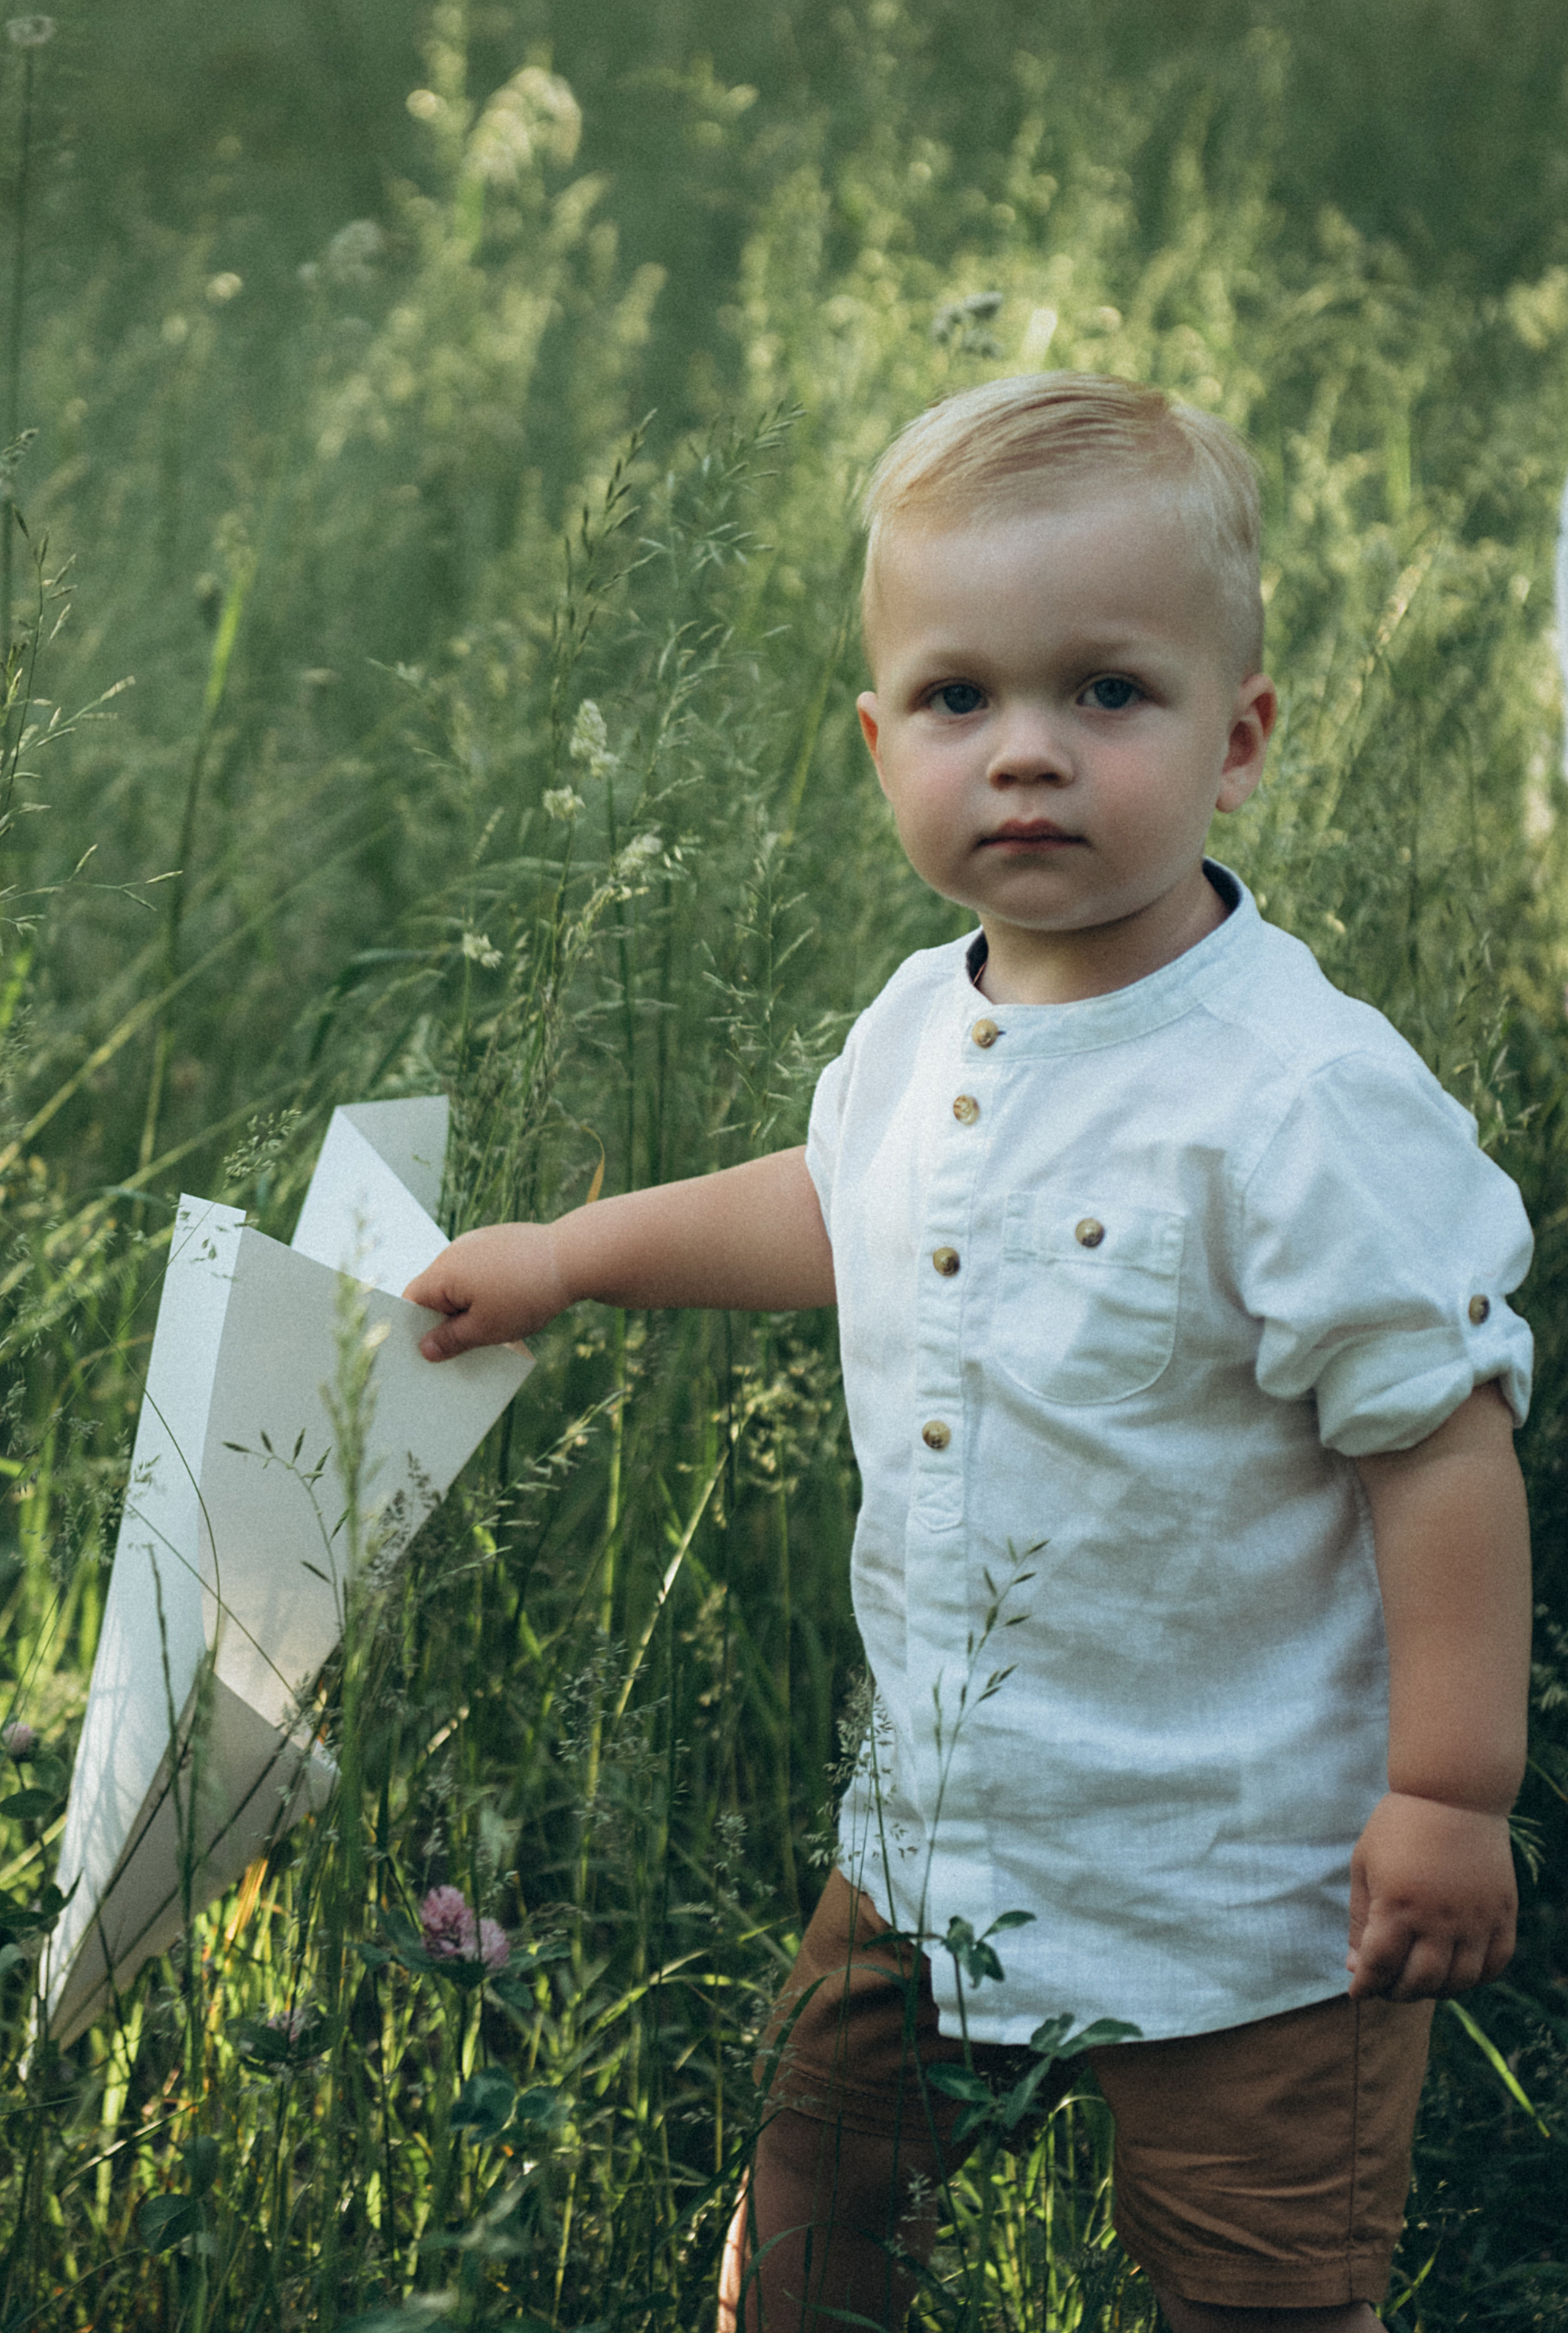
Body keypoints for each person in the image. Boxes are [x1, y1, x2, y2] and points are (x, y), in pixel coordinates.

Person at [402, 373, 1534, 2333]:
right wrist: (574, 1258)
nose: (1026, 752)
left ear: (1239, 739)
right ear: (877, 741)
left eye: (1108, 693)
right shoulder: (925, 1022)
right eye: (957, 699)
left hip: (1247, 1891)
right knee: (811, 2217)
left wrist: (1447, 1793)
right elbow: (836, 1202)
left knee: (1262, 2288)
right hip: (935, 1835)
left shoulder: (1295, 1096)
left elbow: (1439, 1447)